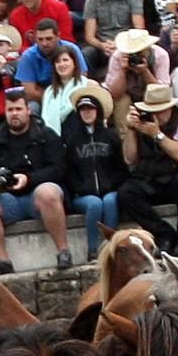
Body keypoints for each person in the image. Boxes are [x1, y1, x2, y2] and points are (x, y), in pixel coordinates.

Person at [0, 88, 70, 274]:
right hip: (7, 198)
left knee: (48, 192)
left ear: (28, 110)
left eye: (18, 109)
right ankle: (2, 260)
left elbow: (59, 169)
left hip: (38, 195)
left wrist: (29, 179)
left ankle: (63, 251)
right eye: (10, 110)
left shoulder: (46, 135)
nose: (14, 114)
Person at [119, 83, 178, 255]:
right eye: (152, 111)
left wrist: (157, 134)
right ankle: (164, 234)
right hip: (151, 176)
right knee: (126, 193)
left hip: (177, 175)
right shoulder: (142, 122)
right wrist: (131, 131)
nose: (156, 115)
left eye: (160, 110)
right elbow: (130, 158)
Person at [62, 85, 125, 260]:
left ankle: (110, 247)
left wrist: (112, 184)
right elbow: (68, 171)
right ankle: (92, 250)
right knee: (95, 204)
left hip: (109, 189)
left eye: (90, 109)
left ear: (98, 111)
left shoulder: (111, 136)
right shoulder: (73, 140)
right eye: (83, 109)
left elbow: (121, 167)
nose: (87, 113)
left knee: (110, 201)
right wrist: (80, 187)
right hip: (83, 194)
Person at [106, 27, 169, 136]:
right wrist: (123, 70)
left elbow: (161, 93)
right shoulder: (118, 56)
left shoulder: (160, 55)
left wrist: (145, 72)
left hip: (152, 96)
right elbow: (115, 94)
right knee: (122, 101)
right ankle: (125, 138)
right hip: (127, 95)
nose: (135, 55)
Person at [15, 19, 88, 107]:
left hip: (71, 96)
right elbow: (30, 92)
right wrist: (55, 100)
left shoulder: (72, 49)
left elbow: (82, 79)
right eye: (40, 39)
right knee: (32, 106)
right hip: (42, 100)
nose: (44, 43)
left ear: (58, 36)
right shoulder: (28, 56)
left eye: (49, 39)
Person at [81, 0, 144, 75]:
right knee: (85, 54)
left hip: (127, 44)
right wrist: (103, 46)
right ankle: (90, 84)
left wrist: (120, 44)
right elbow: (89, 36)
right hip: (102, 45)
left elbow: (139, 29)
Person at [41, 45, 89, 135]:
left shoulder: (86, 85)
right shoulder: (49, 92)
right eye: (57, 62)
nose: (62, 64)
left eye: (65, 60)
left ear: (74, 63)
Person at [9, 0, 74, 50]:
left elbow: (66, 41)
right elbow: (17, 46)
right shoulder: (15, 15)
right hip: (29, 56)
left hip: (57, 54)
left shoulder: (59, 8)